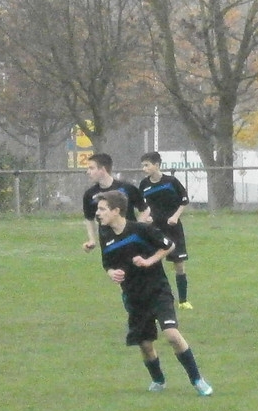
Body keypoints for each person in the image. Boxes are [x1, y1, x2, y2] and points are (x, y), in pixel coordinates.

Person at [93, 189, 213, 396]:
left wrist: (149, 261)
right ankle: (158, 380)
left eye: (102, 209)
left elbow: (169, 245)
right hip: (133, 296)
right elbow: (107, 263)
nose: (98, 213)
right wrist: (113, 273)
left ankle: (197, 380)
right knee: (145, 345)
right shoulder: (105, 234)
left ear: (116, 211)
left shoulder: (140, 230)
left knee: (172, 335)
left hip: (157, 290)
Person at [140, 151, 193, 309]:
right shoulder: (144, 185)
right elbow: (143, 206)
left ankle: (183, 301)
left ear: (157, 165)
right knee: (154, 265)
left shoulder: (171, 181)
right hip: (155, 229)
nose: (144, 169)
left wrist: (175, 216)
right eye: (143, 166)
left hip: (173, 228)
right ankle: (157, 302)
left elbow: (184, 200)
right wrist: (147, 218)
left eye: (147, 165)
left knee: (179, 264)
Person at [82, 153, 147, 253]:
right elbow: (89, 218)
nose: (88, 172)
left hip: (131, 239)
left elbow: (145, 209)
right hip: (107, 240)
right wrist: (92, 240)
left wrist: (136, 227)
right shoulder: (90, 194)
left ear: (102, 169)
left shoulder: (127, 188)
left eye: (91, 168)